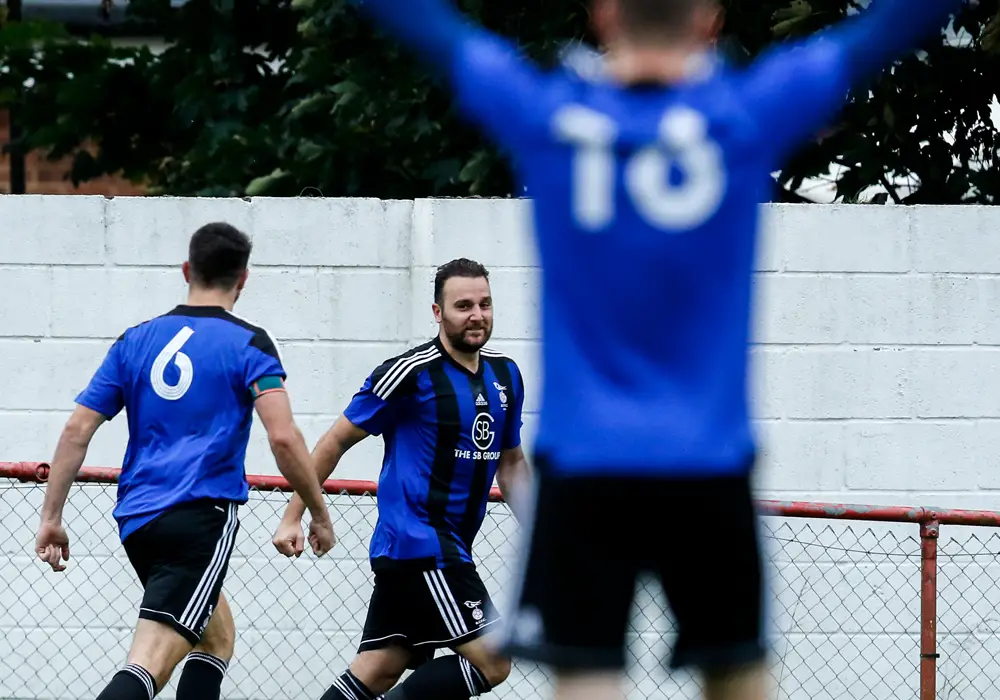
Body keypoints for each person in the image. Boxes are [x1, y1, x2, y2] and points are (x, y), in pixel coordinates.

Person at [347, 1, 966, 700]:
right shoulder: (748, 112)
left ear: (603, 16)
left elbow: (434, 29)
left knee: (586, 680)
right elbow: (884, 29)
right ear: (709, 21)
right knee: (736, 676)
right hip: (707, 462)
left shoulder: (549, 115)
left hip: (586, 465)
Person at [34, 222, 336, 700]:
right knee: (148, 664)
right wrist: (317, 511)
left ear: (185, 270)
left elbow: (76, 431)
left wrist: (51, 519)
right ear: (243, 279)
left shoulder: (134, 340)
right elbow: (282, 437)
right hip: (199, 519)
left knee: (216, 637)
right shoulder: (250, 343)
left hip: (138, 521)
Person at [272, 258, 531, 700]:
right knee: (494, 660)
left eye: (485, 304)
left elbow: (512, 465)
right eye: (463, 306)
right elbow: (334, 442)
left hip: (440, 549)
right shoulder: (410, 373)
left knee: (379, 668)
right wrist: (294, 515)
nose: (477, 315)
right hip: (421, 544)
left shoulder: (505, 375)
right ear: (438, 313)